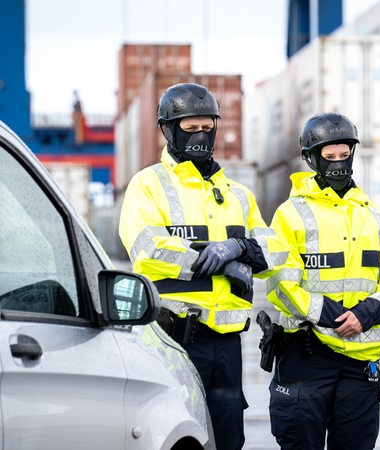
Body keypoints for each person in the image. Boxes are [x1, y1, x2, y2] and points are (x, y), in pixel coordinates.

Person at [118, 82, 287, 450]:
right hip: (172, 340)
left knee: (228, 439)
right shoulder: (147, 186)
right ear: (168, 130)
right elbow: (148, 249)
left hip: (227, 346)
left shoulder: (239, 194)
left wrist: (238, 246)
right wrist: (216, 263)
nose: (199, 136)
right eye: (189, 128)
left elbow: (276, 252)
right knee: (176, 435)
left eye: (206, 128)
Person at [264, 112, 380, 450]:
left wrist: (366, 313)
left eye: (345, 155)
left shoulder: (373, 216)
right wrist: (332, 316)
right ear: (312, 159)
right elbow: (281, 284)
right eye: (329, 158)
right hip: (307, 354)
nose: (339, 164)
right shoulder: (290, 214)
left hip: (361, 362)